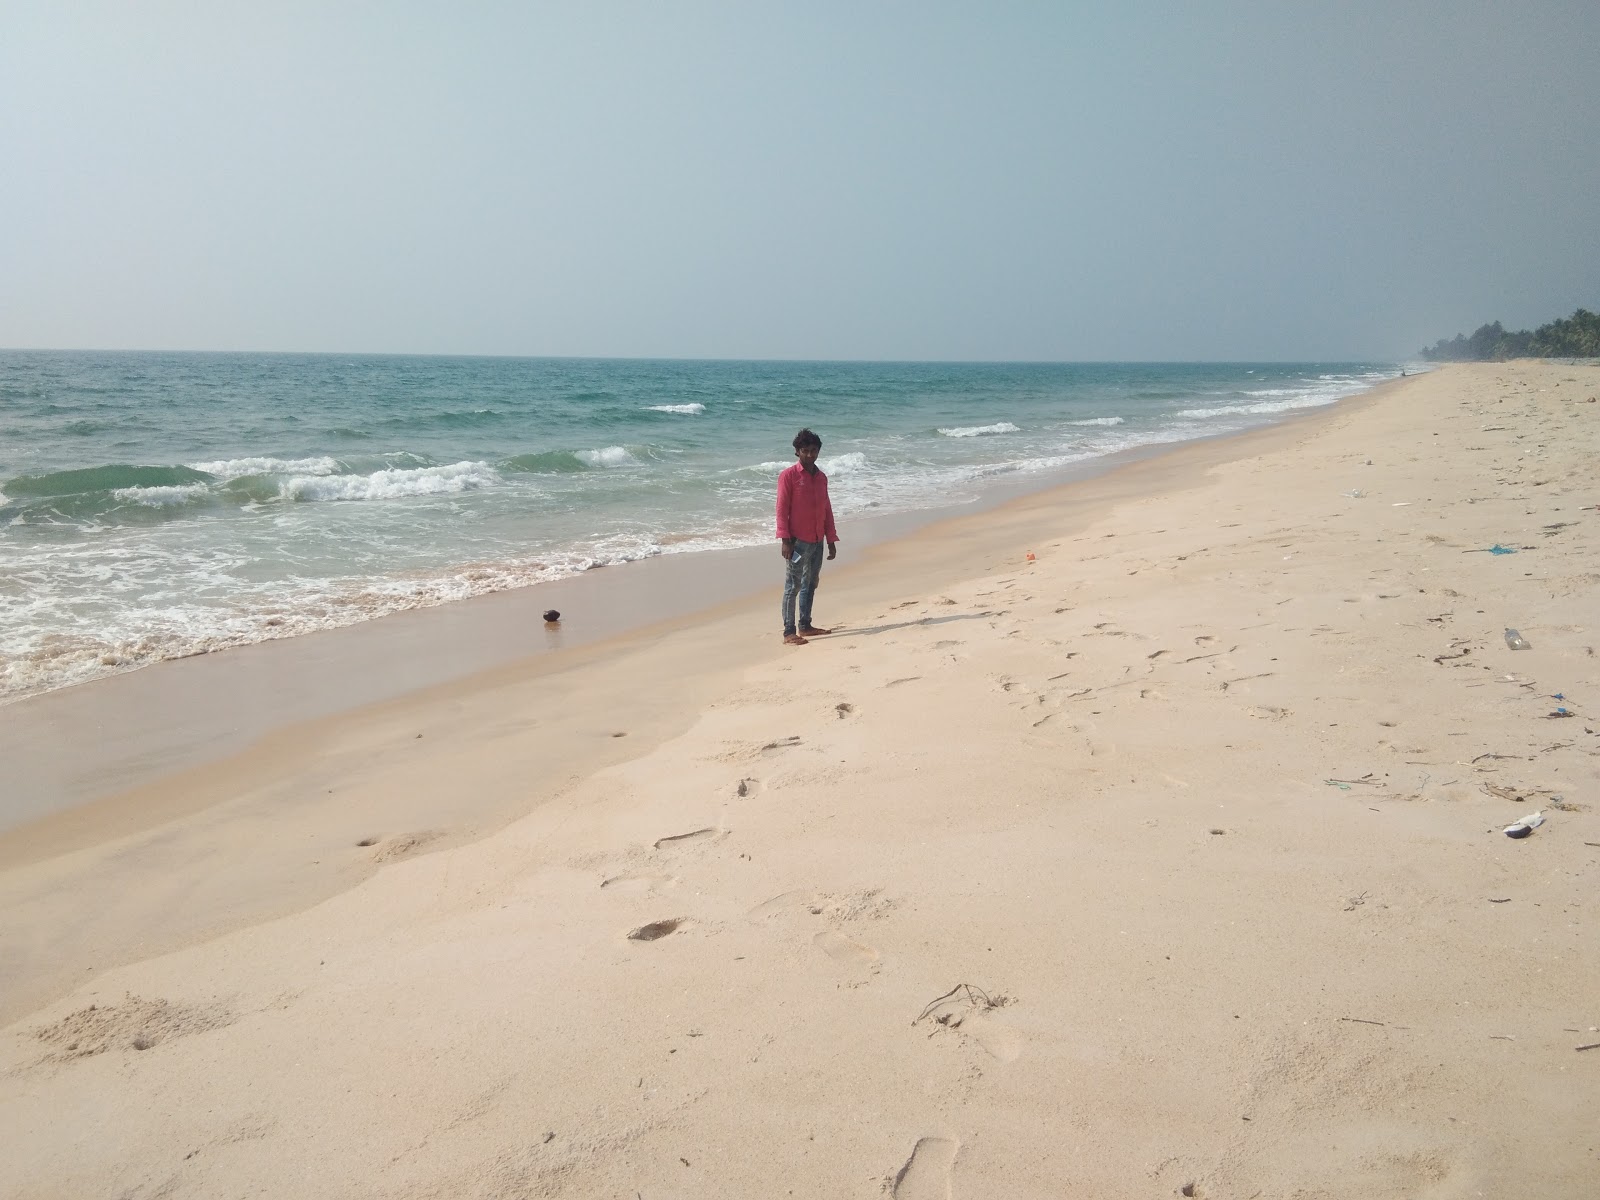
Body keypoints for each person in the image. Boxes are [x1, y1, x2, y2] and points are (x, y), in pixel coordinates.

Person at [775, 427, 839, 645]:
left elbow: (826, 509)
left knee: (811, 583)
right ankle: (788, 632)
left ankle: (805, 625)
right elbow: (781, 509)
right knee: (792, 586)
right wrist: (785, 540)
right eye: (805, 451)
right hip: (797, 543)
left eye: (813, 450)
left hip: (817, 540)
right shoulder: (788, 476)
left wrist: (831, 538)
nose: (810, 455)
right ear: (797, 452)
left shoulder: (821, 478)